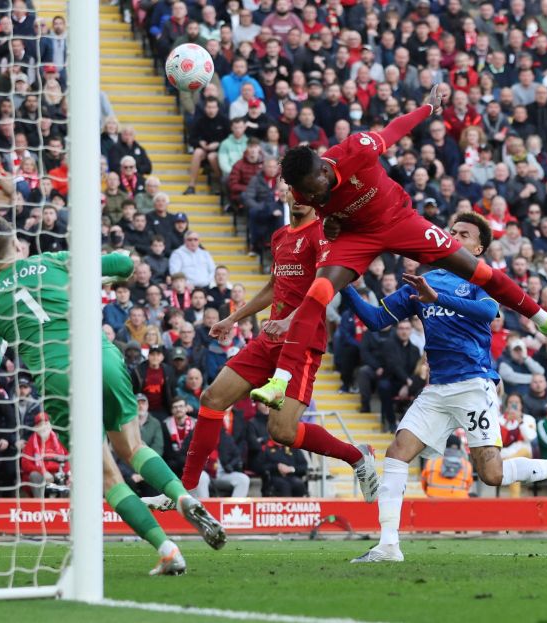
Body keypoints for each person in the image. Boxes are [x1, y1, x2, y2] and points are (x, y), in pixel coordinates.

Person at [249, 84, 547, 411]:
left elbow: (397, 128)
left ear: (324, 169)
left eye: (314, 189)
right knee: (317, 293)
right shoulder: (301, 189)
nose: (310, 197)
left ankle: (544, 320)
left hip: (400, 221)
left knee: (479, 270)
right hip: (356, 237)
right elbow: (323, 215)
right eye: (304, 194)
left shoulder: (358, 149)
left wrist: (428, 107)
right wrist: (329, 222)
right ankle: (280, 381)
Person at [0, 216, 225, 576]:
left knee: (107, 476)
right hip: (101, 357)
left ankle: (167, 550)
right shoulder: (52, 260)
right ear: (15, 242)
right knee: (134, 448)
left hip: (59, 378)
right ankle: (182, 497)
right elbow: (124, 265)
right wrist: (111, 260)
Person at [348, 214, 547, 563]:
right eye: (451, 232)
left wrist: (436, 296)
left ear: (478, 247)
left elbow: (486, 313)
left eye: (463, 234)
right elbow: (376, 319)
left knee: (492, 474)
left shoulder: (480, 279)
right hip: (437, 387)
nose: (453, 236)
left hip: (474, 382)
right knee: (397, 453)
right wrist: (341, 283)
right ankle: (388, 545)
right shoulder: (421, 280)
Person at [143, 200, 378, 512]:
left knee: (282, 432)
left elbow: (325, 290)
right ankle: (184, 489)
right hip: (268, 339)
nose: (297, 197)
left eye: (303, 190)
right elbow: (272, 287)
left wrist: (290, 320)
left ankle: (357, 455)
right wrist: (232, 318)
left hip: (303, 342)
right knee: (212, 398)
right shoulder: (280, 235)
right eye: (292, 189)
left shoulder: (322, 235)